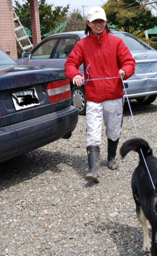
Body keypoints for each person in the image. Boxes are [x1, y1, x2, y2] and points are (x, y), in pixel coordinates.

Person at [64, 6, 135, 182]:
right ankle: (93, 169)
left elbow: (129, 62)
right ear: (88, 23)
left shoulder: (116, 42)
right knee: (93, 132)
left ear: (106, 23)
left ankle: (111, 158)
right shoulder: (82, 44)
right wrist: (75, 75)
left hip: (114, 95)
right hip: (94, 97)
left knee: (113, 129)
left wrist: (124, 71)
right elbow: (70, 64)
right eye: (95, 21)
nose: (98, 24)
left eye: (101, 21)